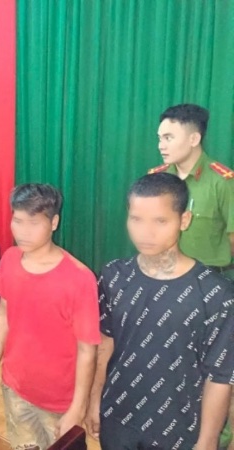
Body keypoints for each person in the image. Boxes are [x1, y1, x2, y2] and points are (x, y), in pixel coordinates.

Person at [85, 173, 234, 450]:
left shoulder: (216, 294)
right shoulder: (114, 276)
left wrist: (208, 439)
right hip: (118, 418)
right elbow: (105, 343)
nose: (146, 232)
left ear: (184, 220)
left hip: (179, 431)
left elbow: (220, 376)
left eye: (160, 221)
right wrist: (94, 400)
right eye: (136, 219)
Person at [0, 183, 99, 450]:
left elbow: (87, 350)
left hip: (60, 404)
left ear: (54, 222)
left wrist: (77, 409)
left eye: (33, 222)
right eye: (17, 220)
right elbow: (3, 315)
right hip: (15, 390)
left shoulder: (79, 279)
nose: (23, 231)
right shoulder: (9, 259)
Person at [149, 104, 234, 279]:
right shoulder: (156, 179)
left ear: (194, 139)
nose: (160, 146)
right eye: (160, 138)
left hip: (209, 279)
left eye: (168, 138)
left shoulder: (222, 182)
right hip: (162, 275)